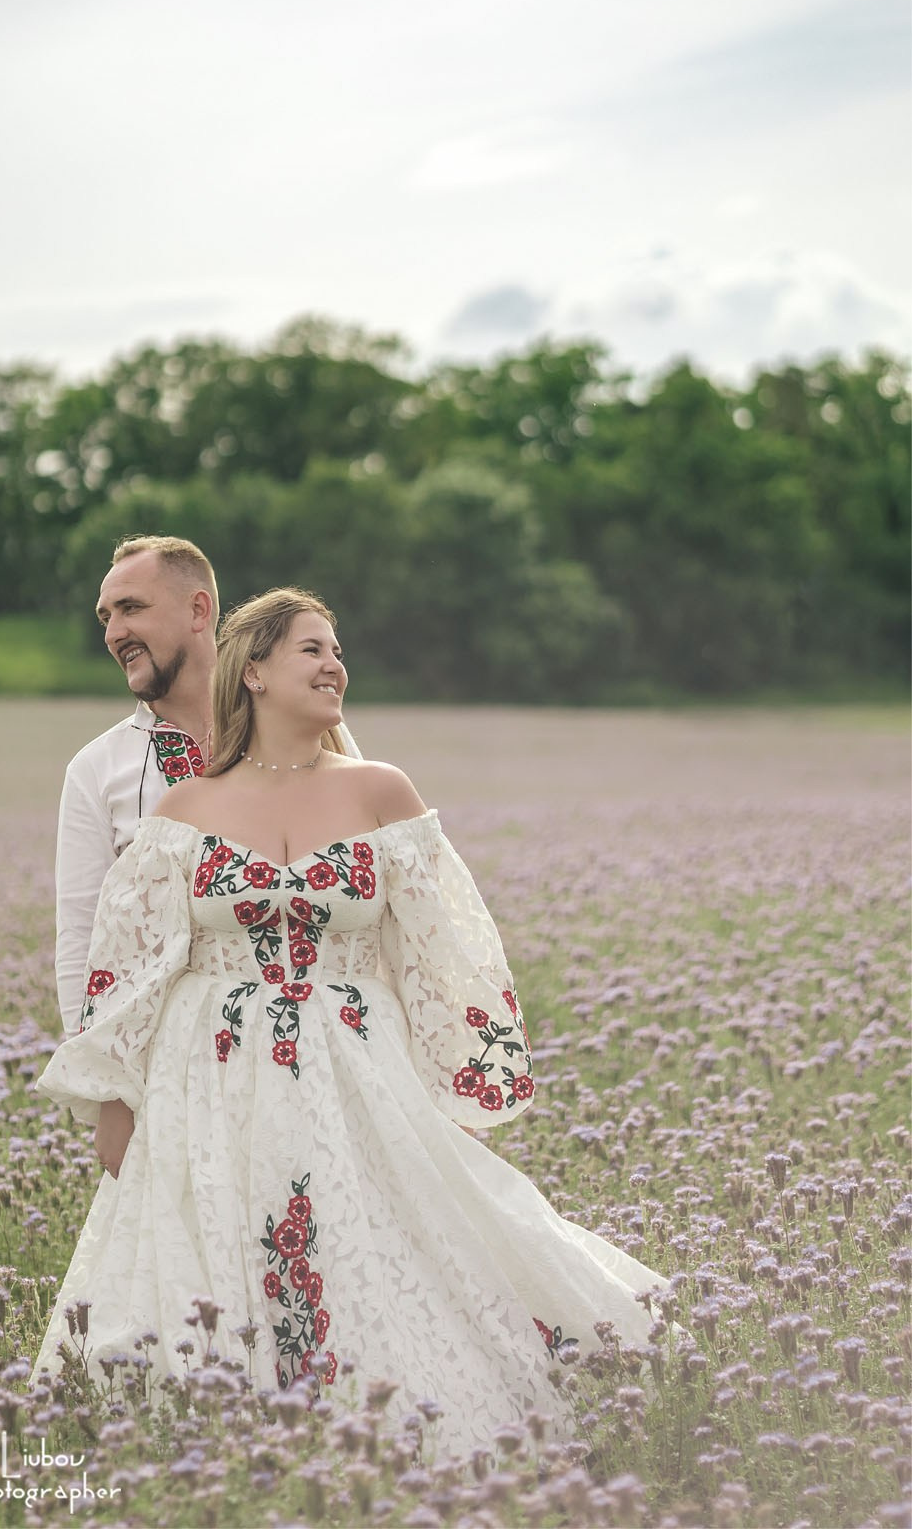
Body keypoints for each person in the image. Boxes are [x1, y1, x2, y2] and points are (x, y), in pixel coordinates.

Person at [34, 588, 664, 1453]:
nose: (336, 666)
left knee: (380, 1241)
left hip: (356, 1065)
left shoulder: (379, 791)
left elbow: (444, 946)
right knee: (222, 1244)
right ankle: (227, 1439)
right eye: (313, 651)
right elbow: (130, 970)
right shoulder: (183, 810)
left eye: (337, 652)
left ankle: (380, 1431)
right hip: (208, 1073)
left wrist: (457, 1081)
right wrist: (115, 1099)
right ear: (251, 671)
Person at [54, 533, 360, 1033]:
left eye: (131, 608)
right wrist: (97, 1087)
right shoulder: (95, 770)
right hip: (170, 1075)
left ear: (199, 610)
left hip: (314, 1049)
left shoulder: (314, 732)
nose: (114, 633)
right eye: (106, 617)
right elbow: (80, 944)